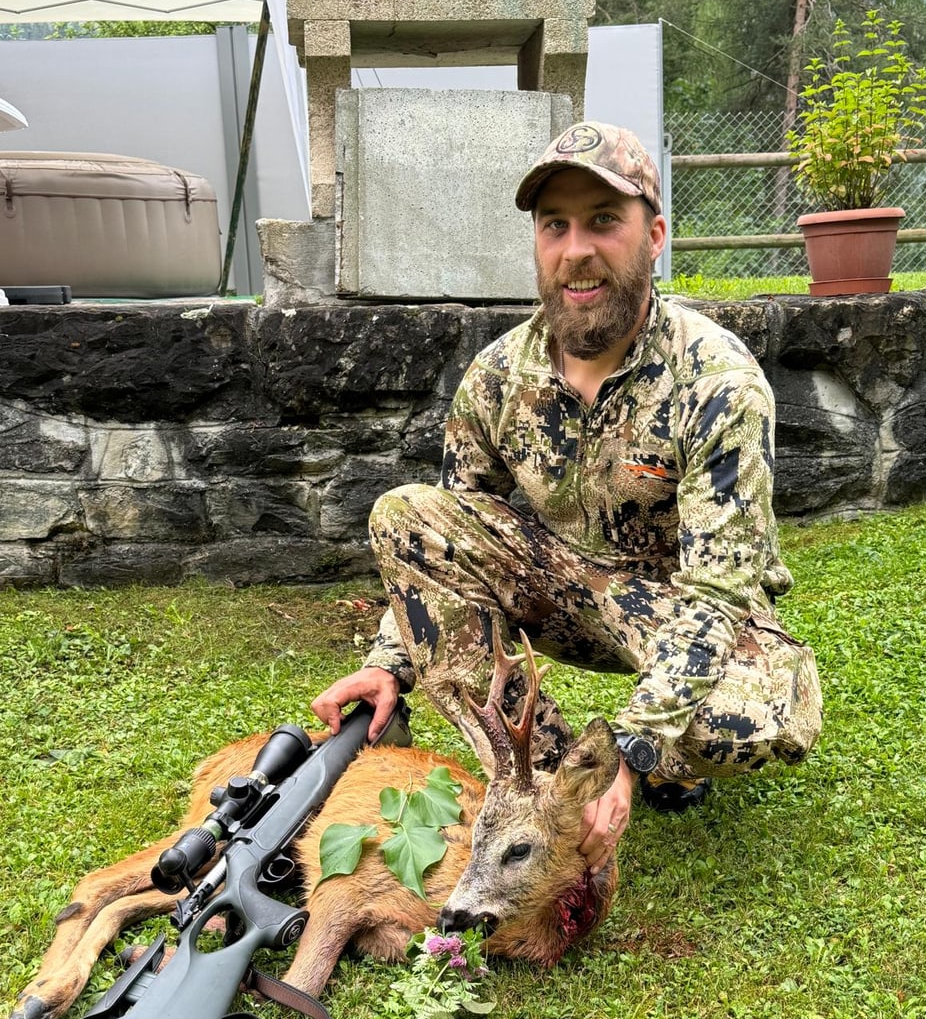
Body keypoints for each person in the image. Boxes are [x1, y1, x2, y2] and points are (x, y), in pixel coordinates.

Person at [311, 120, 822, 877]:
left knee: (744, 723)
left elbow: (718, 594)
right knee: (403, 511)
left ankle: (648, 765)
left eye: (604, 221)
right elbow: (447, 539)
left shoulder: (718, 381)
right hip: (556, 589)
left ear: (654, 236)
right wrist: (391, 660)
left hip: (681, 608)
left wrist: (640, 747)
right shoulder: (496, 376)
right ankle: (547, 778)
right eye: (556, 225)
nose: (576, 249)